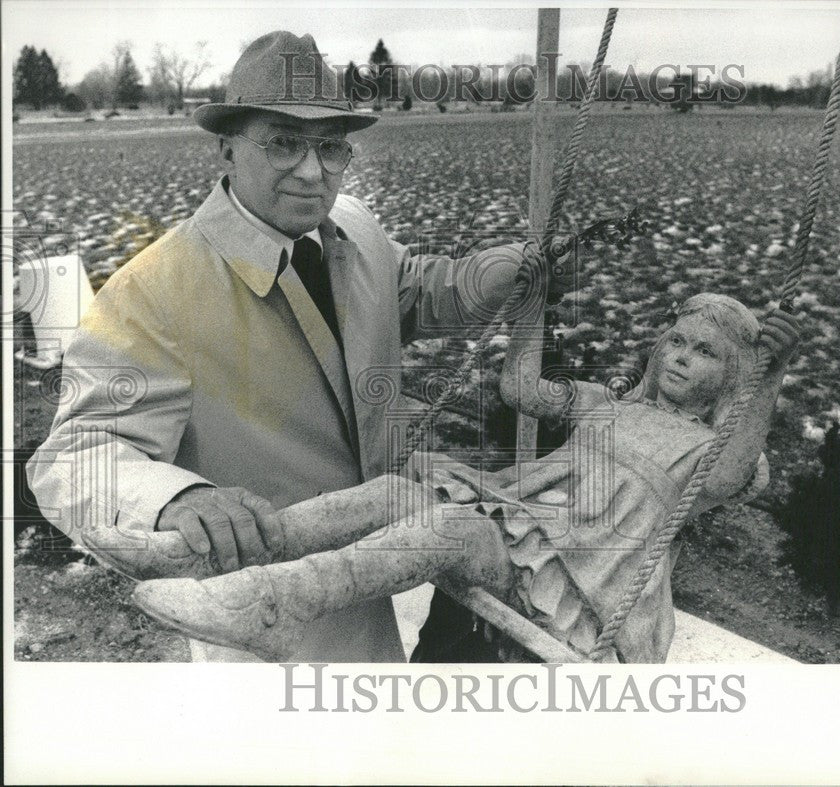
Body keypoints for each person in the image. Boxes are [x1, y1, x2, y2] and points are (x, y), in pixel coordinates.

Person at [26, 31, 551, 662]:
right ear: (226, 147)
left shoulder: (352, 227)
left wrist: (487, 275)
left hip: (370, 567)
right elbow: (73, 458)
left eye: (331, 147)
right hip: (261, 613)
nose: (312, 170)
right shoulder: (155, 290)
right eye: (283, 143)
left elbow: (406, 291)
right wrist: (175, 498)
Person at [131, 293, 801, 663]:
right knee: (395, 492)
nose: (682, 358)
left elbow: (737, 471)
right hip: (518, 528)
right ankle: (215, 549)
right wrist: (531, 306)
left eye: (705, 353)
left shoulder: (708, 450)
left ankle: (278, 605)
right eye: (676, 342)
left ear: (732, 377)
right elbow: (520, 387)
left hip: (575, 595)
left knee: (448, 528)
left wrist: (768, 382)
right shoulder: (609, 402)